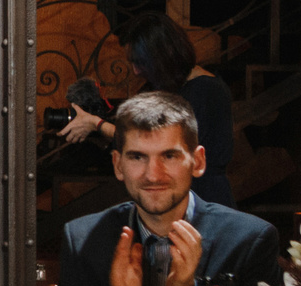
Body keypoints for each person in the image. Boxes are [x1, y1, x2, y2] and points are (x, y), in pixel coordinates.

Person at [47, 91, 282, 286]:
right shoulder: (82, 237)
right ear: (118, 165)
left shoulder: (249, 241)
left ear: (198, 161)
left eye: (169, 156)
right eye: (137, 157)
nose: (153, 175)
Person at [59, 14, 236, 206]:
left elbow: (157, 143)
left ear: (163, 56)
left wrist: (98, 124)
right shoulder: (175, 89)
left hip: (204, 200)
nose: (136, 71)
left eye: (140, 62)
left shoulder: (205, 91)